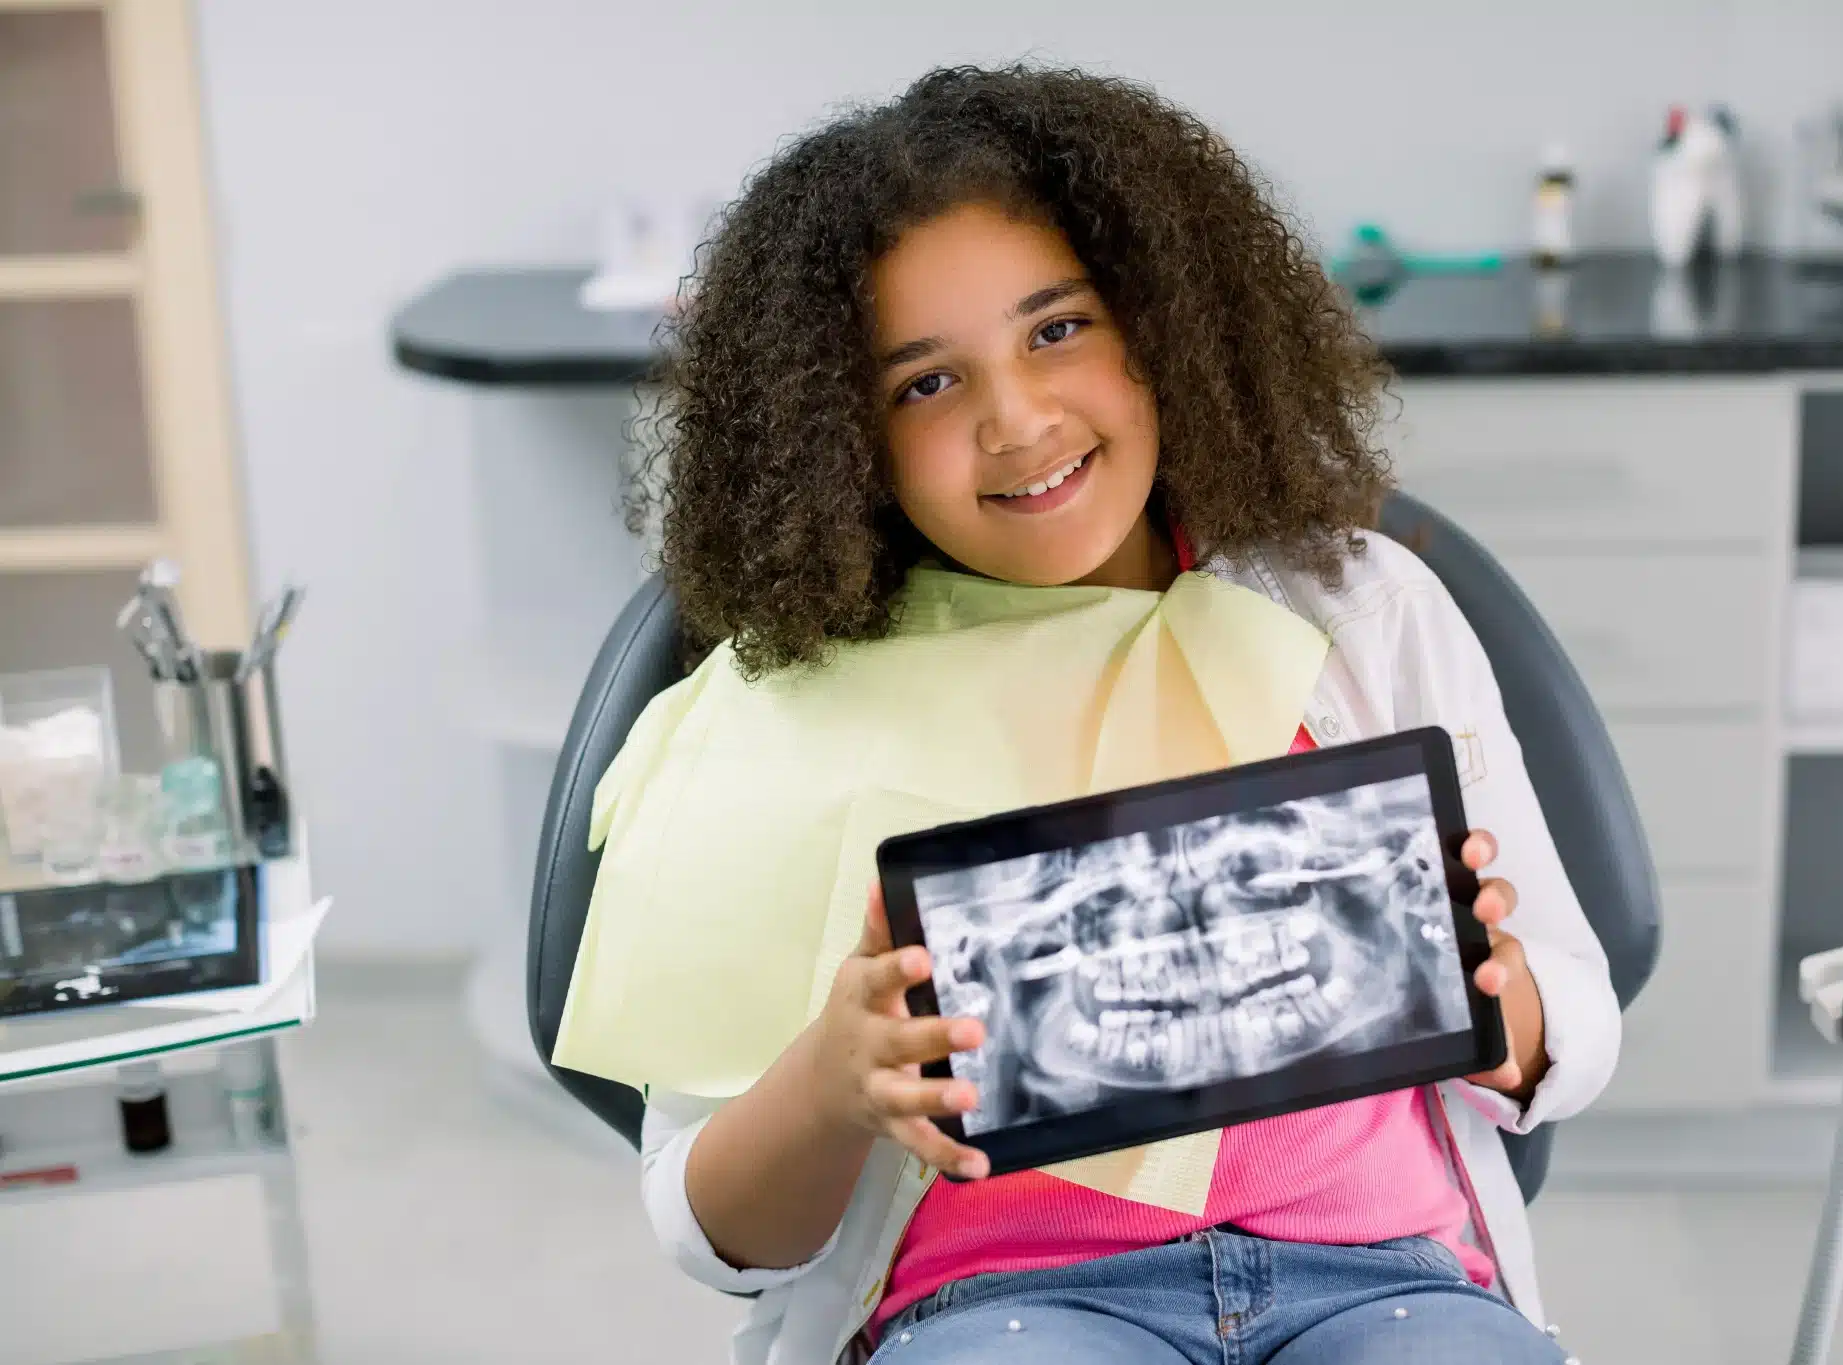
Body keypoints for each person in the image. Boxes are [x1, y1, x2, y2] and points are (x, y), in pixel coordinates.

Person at [607, 64, 1620, 1365]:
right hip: (1001, 1309)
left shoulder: (1365, 614)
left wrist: (1505, 1004)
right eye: (925, 383)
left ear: (1163, 322)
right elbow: (705, 1231)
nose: (1016, 421)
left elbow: (1579, 1015)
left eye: (1055, 329)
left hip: (1393, 1280)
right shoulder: (785, 715)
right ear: (840, 434)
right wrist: (832, 1078)